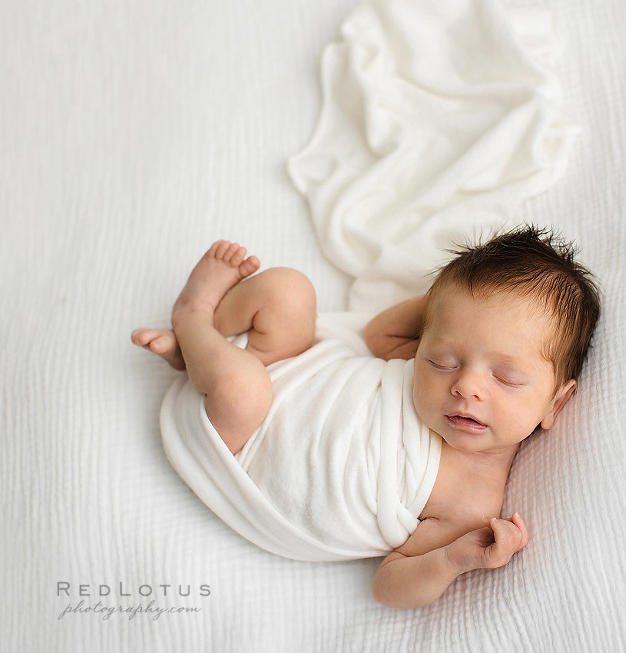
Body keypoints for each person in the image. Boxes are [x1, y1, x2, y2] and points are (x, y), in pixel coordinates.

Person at [131, 226, 600, 608]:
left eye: (506, 378)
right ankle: (200, 342)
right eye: (444, 360)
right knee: (288, 289)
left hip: (247, 441)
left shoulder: (470, 504)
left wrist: (453, 561)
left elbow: (389, 587)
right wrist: (451, 305)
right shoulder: (414, 354)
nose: (466, 386)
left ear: (555, 403)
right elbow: (376, 336)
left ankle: (192, 320)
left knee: (241, 390)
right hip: (289, 363)